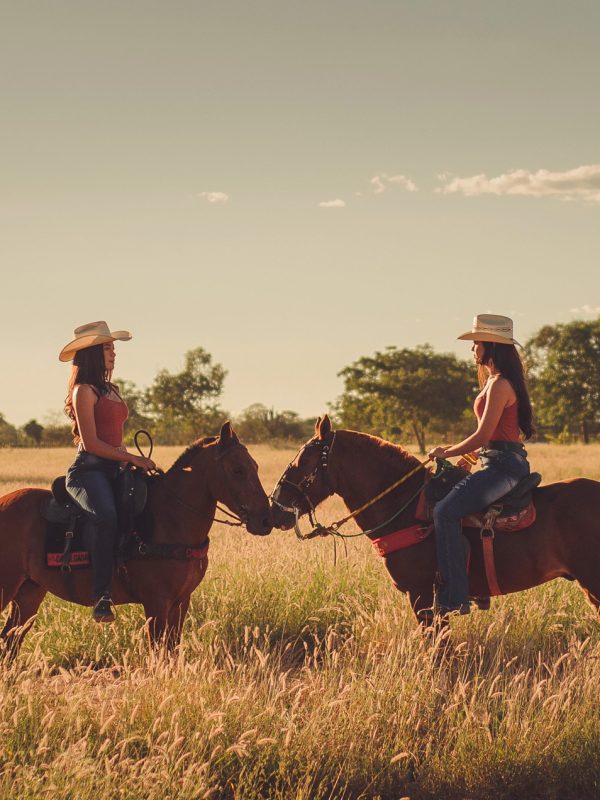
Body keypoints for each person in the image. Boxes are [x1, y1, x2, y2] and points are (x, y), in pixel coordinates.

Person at [427, 314, 535, 615]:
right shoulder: (492, 382)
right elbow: (489, 439)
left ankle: (454, 598)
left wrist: (445, 452)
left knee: (445, 512)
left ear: (490, 345)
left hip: (504, 468)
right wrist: (467, 458)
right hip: (494, 461)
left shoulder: (500, 385)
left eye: (476, 343)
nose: (472, 349)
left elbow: (484, 435)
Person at [60, 321, 155, 623]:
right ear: (91, 354)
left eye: (113, 347)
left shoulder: (111, 390)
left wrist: (125, 455)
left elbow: (112, 435)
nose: (113, 352)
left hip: (115, 468)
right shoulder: (83, 391)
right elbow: (90, 443)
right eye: (107, 347)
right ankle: (102, 595)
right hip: (88, 472)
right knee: (107, 517)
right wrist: (131, 459)